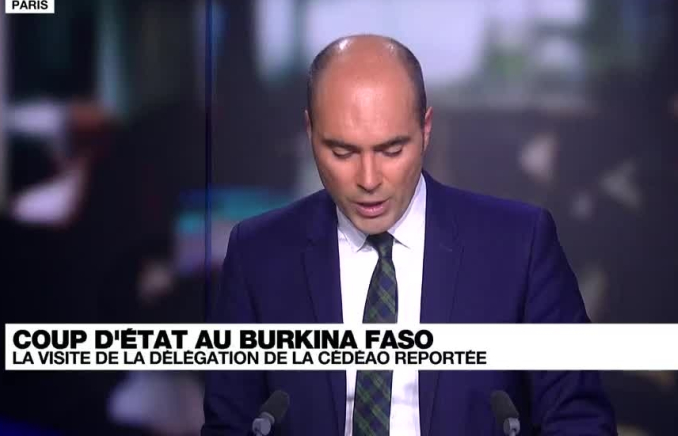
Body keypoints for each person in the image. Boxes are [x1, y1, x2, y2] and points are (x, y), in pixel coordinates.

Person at [202, 34, 617, 436]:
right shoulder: (258, 255)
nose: (368, 179)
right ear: (310, 133)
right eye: (343, 152)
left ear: (426, 129)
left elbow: (578, 420)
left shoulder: (519, 245)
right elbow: (230, 425)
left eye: (391, 150)